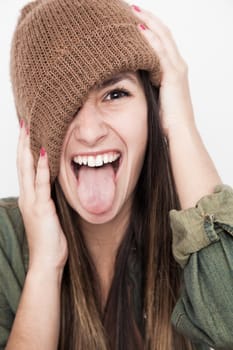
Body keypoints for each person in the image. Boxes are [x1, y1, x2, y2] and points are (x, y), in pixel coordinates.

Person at [0, 0, 232, 349]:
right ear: (32, 132)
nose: (90, 132)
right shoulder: (5, 242)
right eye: (66, 107)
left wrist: (182, 127)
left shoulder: (192, 231)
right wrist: (45, 267)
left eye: (115, 94)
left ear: (153, 108)